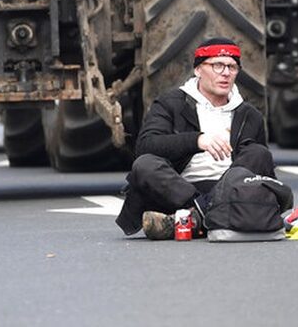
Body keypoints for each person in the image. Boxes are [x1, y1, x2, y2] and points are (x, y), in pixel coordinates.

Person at [114, 37, 275, 240]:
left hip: (231, 190)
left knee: (259, 153)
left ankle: (192, 219)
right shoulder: (170, 103)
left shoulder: (249, 115)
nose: (226, 73)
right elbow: (146, 145)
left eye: (232, 67)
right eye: (217, 65)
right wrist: (197, 140)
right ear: (198, 70)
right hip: (178, 192)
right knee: (145, 165)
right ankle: (208, 214)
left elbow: (260, 169)